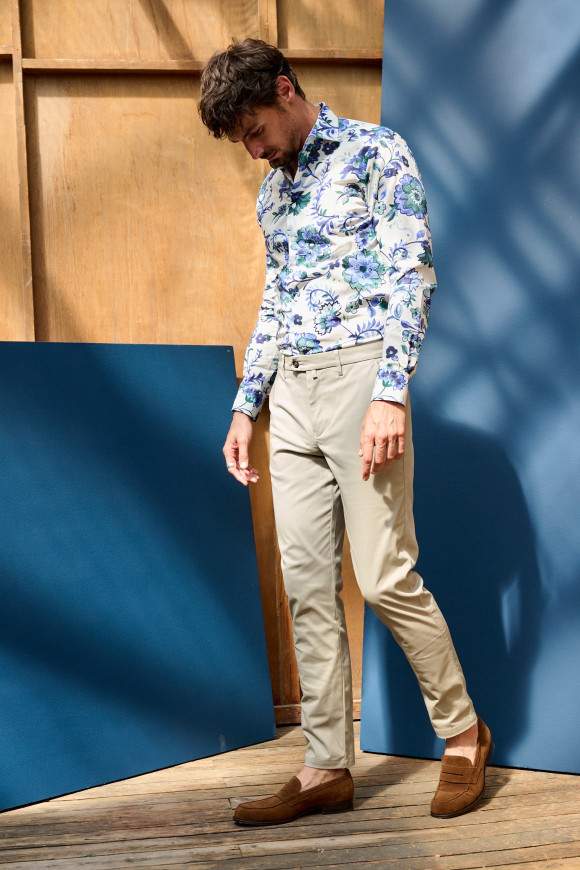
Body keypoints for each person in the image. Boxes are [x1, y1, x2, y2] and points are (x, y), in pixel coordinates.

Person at [198, 37, 493, 827]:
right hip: (292, 391)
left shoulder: (375, 153)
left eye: (255, 131)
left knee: (386, 575)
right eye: (242, 142)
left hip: (364, 379)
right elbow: (277, 300)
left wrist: (391, 393)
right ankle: (325, 765)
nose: (254, 150)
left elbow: (410, 275)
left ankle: (464, 734)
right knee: (305, 584)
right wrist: (246, 405)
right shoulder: (273, 195)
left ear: (284, 89)